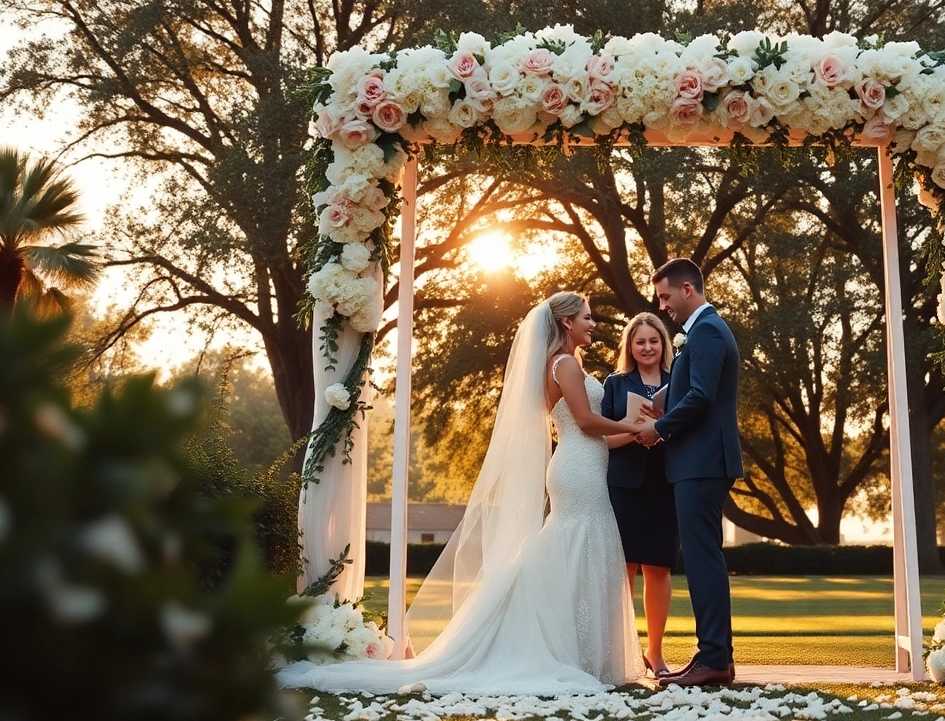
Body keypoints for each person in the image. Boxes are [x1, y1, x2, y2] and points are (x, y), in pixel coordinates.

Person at [277, 292, 647, 695]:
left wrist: (638, 435)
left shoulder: (558, 365)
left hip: (583, 461)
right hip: (577, 470)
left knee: (577, 550)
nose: (593, 324)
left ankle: (584, 651)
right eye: (587, 318)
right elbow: (586, 422)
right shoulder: (565, 364)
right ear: (565, 323)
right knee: (579, 545)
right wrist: (630, 424)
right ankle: (570, 649)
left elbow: (591, 436)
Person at [636, 258, 744, 688]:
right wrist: (664, 396)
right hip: (697, 462)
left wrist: (658, 428)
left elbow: (702, 395)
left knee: (703, 561)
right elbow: (694, 385)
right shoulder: (700, 333)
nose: (663, 306)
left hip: (702, 462)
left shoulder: (708, 331)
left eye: (665, 297)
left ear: (687, 289)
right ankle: (713, 656)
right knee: (701, 559)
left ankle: (715, 658)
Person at [600, 313, 678, 677]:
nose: (647, 347)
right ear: (630, 347)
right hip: (624, 485)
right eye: (640, 342)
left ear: (664, 344)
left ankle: (656, 653)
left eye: (654, 341)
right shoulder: (614, 384)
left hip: (666, 484)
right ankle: (623, 654)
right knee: (625, 569)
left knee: (659, 569)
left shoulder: (680, 382)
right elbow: (599, 438)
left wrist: (662, 428)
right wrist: (638, 429)